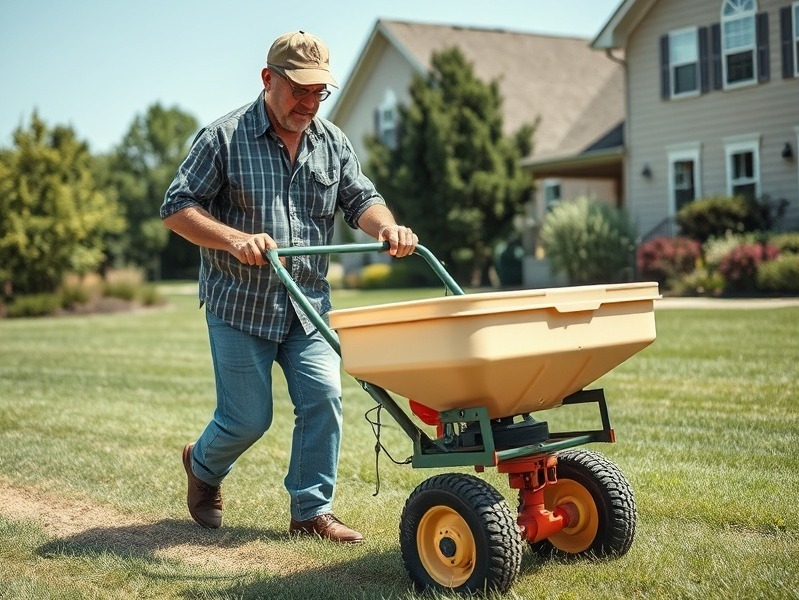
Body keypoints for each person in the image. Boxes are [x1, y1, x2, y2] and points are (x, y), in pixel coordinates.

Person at [160, 30, 418, 544]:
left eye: (319, 91)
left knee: (324, 398)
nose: (310, 102)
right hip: (240, 304)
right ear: (267, 79)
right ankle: (203, 467)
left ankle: (311, 511)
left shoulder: (332, 141)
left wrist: (386, 226)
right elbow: (177, 208)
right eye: (300, 89)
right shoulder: (224, 137)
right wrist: (233, 240)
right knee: (247, 420)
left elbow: (361, 198)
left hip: (307, 306)